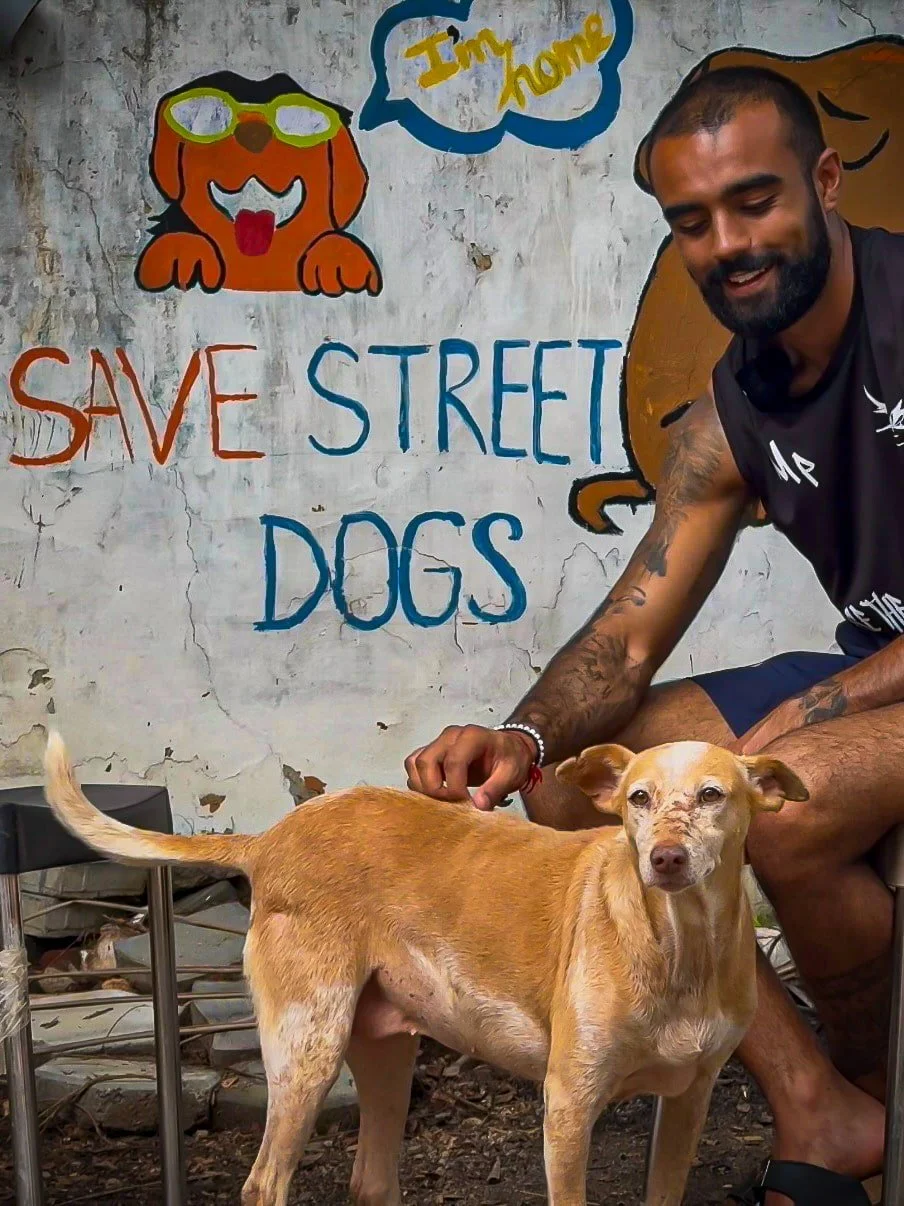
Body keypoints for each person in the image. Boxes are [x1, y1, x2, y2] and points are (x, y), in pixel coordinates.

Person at [406, 65, 904, 1206]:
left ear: (825, 184)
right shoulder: (737, 401)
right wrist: (522, 737)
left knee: (788, 799)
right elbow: (624, 640)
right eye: (692, 220)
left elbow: (797, 744)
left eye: (754, 201)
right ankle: (821, 1111)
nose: (727, 242)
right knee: (583, 789)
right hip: (875, 669)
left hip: (870, 690)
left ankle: (876, 1083)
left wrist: (801, 722)